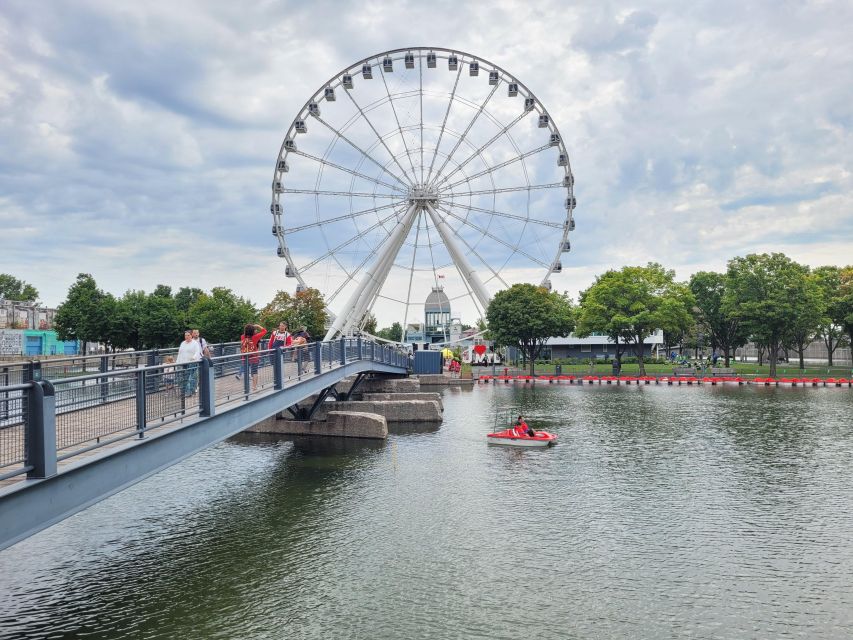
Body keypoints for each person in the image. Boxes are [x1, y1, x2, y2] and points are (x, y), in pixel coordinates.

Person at [240, 323, 268, 392]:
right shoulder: (255, 337)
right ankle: (254, 387)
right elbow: (265, 331)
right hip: (254, 357)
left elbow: (244, 335)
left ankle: (246, 388)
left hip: (245, 357)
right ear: (253, 331)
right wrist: (258, 326)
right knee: (254, 372)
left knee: (246, 372)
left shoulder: (242, 337)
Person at [176, 330, 201, 396]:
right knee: (184, 378)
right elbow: (179, 353)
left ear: (191, 336)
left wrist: (194, 357)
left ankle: (189, 392)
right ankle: (187, 391)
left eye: (188, 335)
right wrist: (177, 362)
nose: (186, 337)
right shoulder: (182, 343)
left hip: (192, 362)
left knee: (190, 378)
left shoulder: (195, 343)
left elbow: (197, 351)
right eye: (185, 335)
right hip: (183, 363)